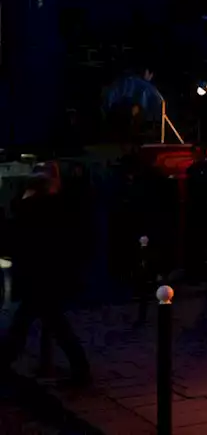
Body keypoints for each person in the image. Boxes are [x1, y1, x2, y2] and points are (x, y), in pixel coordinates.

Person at [0, 161, 91, 385]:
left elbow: (16, 236)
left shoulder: (30, 208)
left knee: (41, 323)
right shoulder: (58, 207)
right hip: (47, 275)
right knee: (39, 322)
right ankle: (80, 369)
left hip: (37, 275)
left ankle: (81, 370)